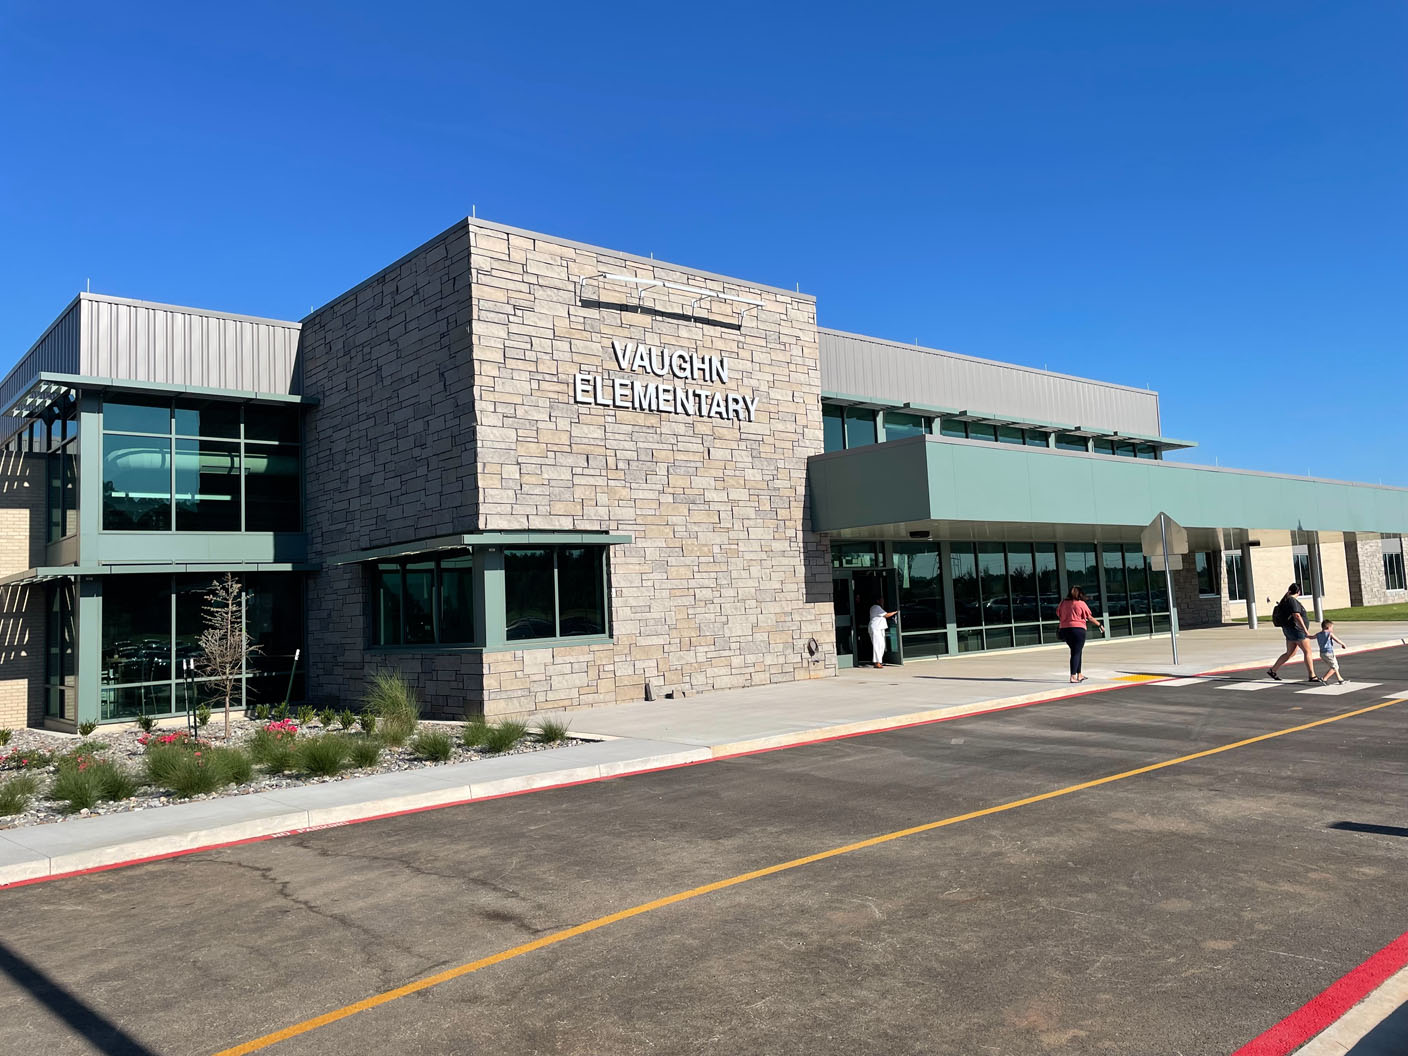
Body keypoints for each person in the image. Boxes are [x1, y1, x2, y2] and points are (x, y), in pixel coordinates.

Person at [1267, 583, 1321, 683]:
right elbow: (1297, 615)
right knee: (1307, 652)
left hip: (1289, 630)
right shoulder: (1292, 600)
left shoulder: (1287, 600)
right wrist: (1305, 631)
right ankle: (1312, 675)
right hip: (1297, 630)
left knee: (1290, 653)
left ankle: (1273, 670)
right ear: (1299, 591)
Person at [1056, 586, 1106, 683]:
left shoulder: (1062, 603)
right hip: (1078, 630)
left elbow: (1058, 613)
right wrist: (1100, 625)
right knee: (1076, 652)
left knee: (1076, 651)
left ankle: (1079, 674)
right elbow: (1089, 617)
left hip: (1065, 629)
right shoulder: (1080, 604)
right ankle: (1073, 676)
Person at [1314, 620, 1348, 684]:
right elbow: (1337, 640)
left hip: (1322, 653)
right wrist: (1343, 644)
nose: (1332, 629)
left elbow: (1311, 637)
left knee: (1334, 665)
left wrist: (1305, 633)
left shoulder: (1318, 634)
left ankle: (1340, 679)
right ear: (1328, 627)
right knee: (1334, 667)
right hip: (1329, 653)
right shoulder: (1329, 634)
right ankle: (1324, 678)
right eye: (1332, 628)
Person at [868, 599, 897, 668]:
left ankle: (879, 661)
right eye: (881, 600)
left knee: (881, 645)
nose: (883, 601)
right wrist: (895, 612)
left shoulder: (876, 607)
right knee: (877, 645)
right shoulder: (876, 607)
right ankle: (877, 662)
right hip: (876, 628)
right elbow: (886, 615)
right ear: (877, 600)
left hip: (879, 628)